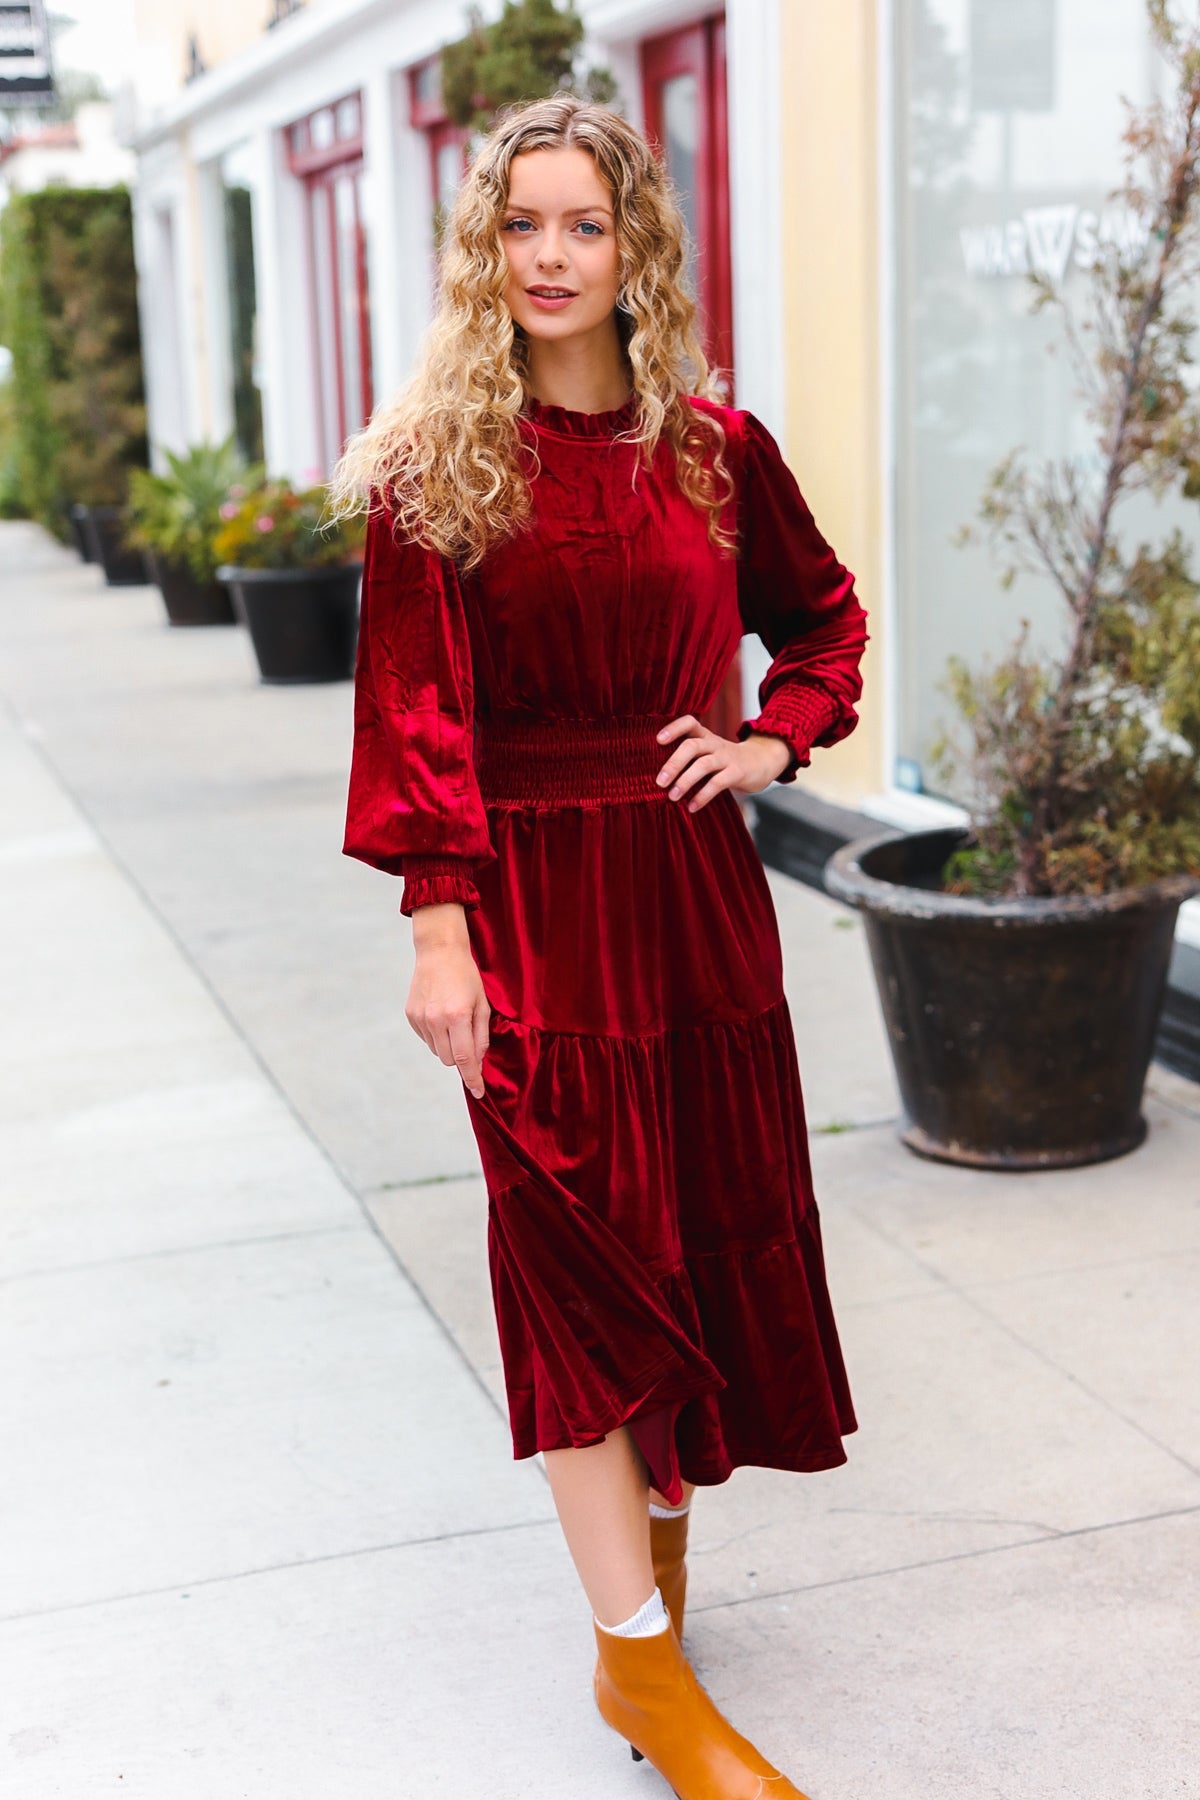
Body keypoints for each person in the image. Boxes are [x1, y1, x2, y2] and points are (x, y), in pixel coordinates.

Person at [330, 93, 868, 1800]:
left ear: (638, 247)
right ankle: (641, 1668)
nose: (551, 256)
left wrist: (773, 742)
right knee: (579, 1278)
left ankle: (654, 1610)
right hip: (533, 914)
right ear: (480, 251)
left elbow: (825, 622)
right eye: (520, 225)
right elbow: (413, 717)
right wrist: (440, 935)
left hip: (696, 904)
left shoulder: (716, 450)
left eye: (584, 224)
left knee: (688, 1248)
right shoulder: (435, 472)